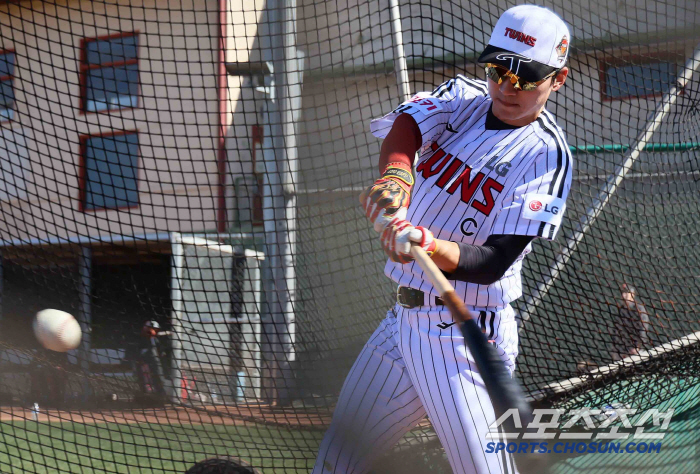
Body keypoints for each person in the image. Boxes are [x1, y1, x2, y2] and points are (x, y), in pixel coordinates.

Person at [313, 5, 573, 474]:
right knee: (337, 459)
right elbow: (408, 125)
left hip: (465, 334)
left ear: (558, 78)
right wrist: (396, 178)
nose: (507, 87)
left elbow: (493, 260)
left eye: (527, 77)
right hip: (401, 323)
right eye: (499, 69)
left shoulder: (547, 155)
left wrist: (427, 244)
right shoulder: (464, 97)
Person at [611, 283, 650, 360]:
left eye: (626, 293)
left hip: (635, 351)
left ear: (632, 294)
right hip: (621, 350)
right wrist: (615, 349)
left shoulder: (639, 309)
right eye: (622, 293)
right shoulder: (621, 310)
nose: (623, 295)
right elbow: (616, 330)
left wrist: (637, 347)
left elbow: (643, 328)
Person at [132, 320, 170, 399]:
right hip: (143, 365)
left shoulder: (156, 340)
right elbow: (136, 353)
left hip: (155, 366)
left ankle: (160, 396)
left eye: (155, 330)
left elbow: (162, 353)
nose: (153, 332)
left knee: (158, 379)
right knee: (143, 381)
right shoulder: (139, 339)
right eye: (151, 329)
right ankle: (145, 396)